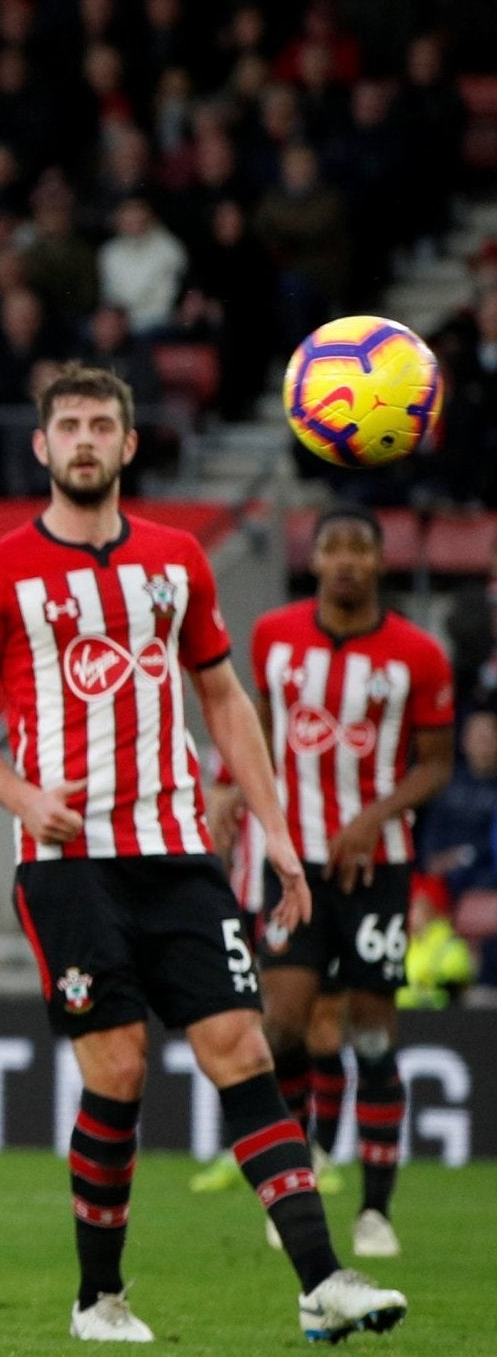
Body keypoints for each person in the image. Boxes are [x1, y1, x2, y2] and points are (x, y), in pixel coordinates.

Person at [0, 363, 406, 1347]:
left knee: (240, 1048)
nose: (85, 439)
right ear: (41, 446)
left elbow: (224, 698)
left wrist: (278, 833)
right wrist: (22, 794)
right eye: (68, 424)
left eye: (102, 423)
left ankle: (322, 1278)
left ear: (130, 444)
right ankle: (98, 1296)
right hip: (68, 859)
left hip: (179, 849)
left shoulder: (176, 559)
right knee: (119, 1065)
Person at [242, 507, 454, 1258]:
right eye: (329, 546)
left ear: (378, 560)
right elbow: (259, 734)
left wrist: (372, 815)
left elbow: (436, 761)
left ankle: (374, 1212)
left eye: (357, 548)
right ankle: (296, 1181)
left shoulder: (419, 655)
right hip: (293, 863)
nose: (343, 561)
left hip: (378, 867)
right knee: (283, 1026)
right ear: (313, 558)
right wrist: (239, 798)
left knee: (369, 1031)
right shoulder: (271, 637)